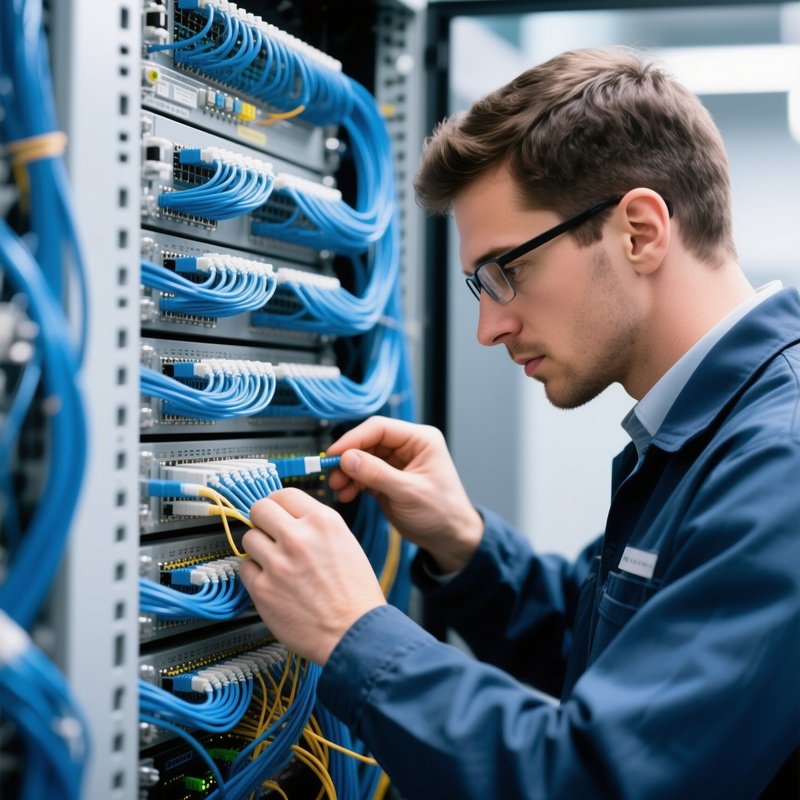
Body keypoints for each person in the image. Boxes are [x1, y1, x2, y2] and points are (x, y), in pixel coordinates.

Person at [238, 46, 800, 798]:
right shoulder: (711, 432)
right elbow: (616, 655)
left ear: (639, 230)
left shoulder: (780, 462)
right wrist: (466, 544)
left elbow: (591, 780)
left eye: (508, 270)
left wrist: (353, 635)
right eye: (478, 284)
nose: (488, 327)